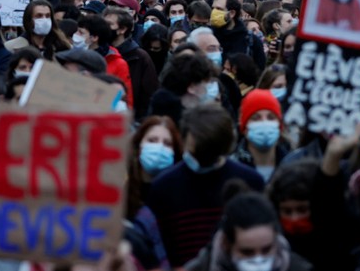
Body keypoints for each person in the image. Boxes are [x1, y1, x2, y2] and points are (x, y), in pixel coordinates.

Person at [147, 104, 264, 268]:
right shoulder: (163, 187)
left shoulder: (250, 181)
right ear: (183, 139)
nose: (204, 157)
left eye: (210, 151)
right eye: (199, 150)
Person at [185, 192, 312, 271]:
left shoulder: (299, 268)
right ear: (227, 244)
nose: (258, 260)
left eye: (266, 249)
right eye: (247, 252)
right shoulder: (202, 267)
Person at [127, 116, 184, 269]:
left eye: (167, 143)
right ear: (139, 146)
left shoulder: (180, 195)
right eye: (152, 140)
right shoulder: (122, 191)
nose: (159, 148)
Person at [104, 6, 159, 120]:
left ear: (122, 29)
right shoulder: (99, 53)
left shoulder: (140, 57)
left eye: (108, 24)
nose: (103, 28)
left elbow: (148, 95)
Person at [232, 89, 288, 182]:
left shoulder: (293, 168)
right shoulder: (232, 170)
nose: (264, 122)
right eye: (256, 118)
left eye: (271, 117)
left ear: (279, 125)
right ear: (245, 127)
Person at [211, 0, 266, 70]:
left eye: (219, 9)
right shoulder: (207, 36)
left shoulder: (251, 41)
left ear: (232, 13)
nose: (214, 12)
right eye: (213, 8)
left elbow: (259, 72)